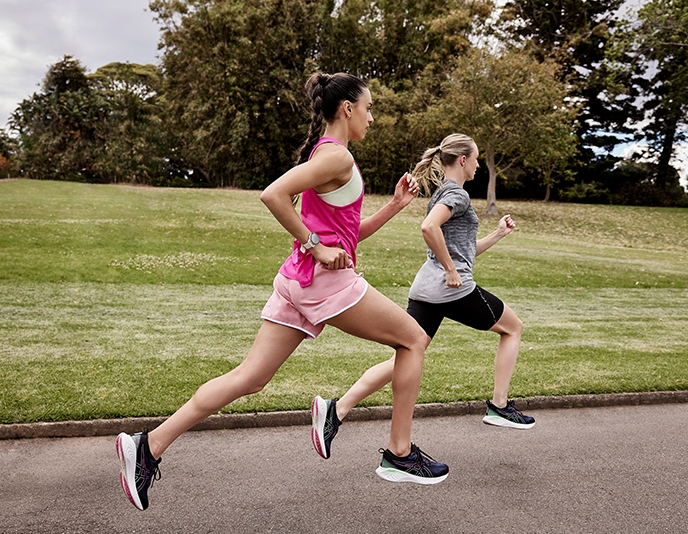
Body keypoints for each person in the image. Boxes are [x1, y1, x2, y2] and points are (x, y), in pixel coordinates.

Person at [116, 72, 449, 511]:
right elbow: (273, 195)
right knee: (414, 339)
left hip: (298, 281)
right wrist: (315, 245)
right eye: (368, 108)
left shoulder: (329, 156)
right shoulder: (337, 159)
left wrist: (391, 207)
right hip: (323, 284)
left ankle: (147, 445)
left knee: (249, 378)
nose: (372, 118)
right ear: (347, 109)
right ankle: (399, 453)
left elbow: (345, 241)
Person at [311, 133, 535, 462]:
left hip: (426, 289)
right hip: (450, 290)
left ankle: (336, 410)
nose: (477, 165)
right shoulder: (456, 194)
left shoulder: (445, 193)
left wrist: (497, 234)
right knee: (513, 328)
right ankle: (499, 406)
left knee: (406, 356)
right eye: (474, 159)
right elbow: (429, 229)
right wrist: (451, 270)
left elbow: (463, 252)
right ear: (462, 160)